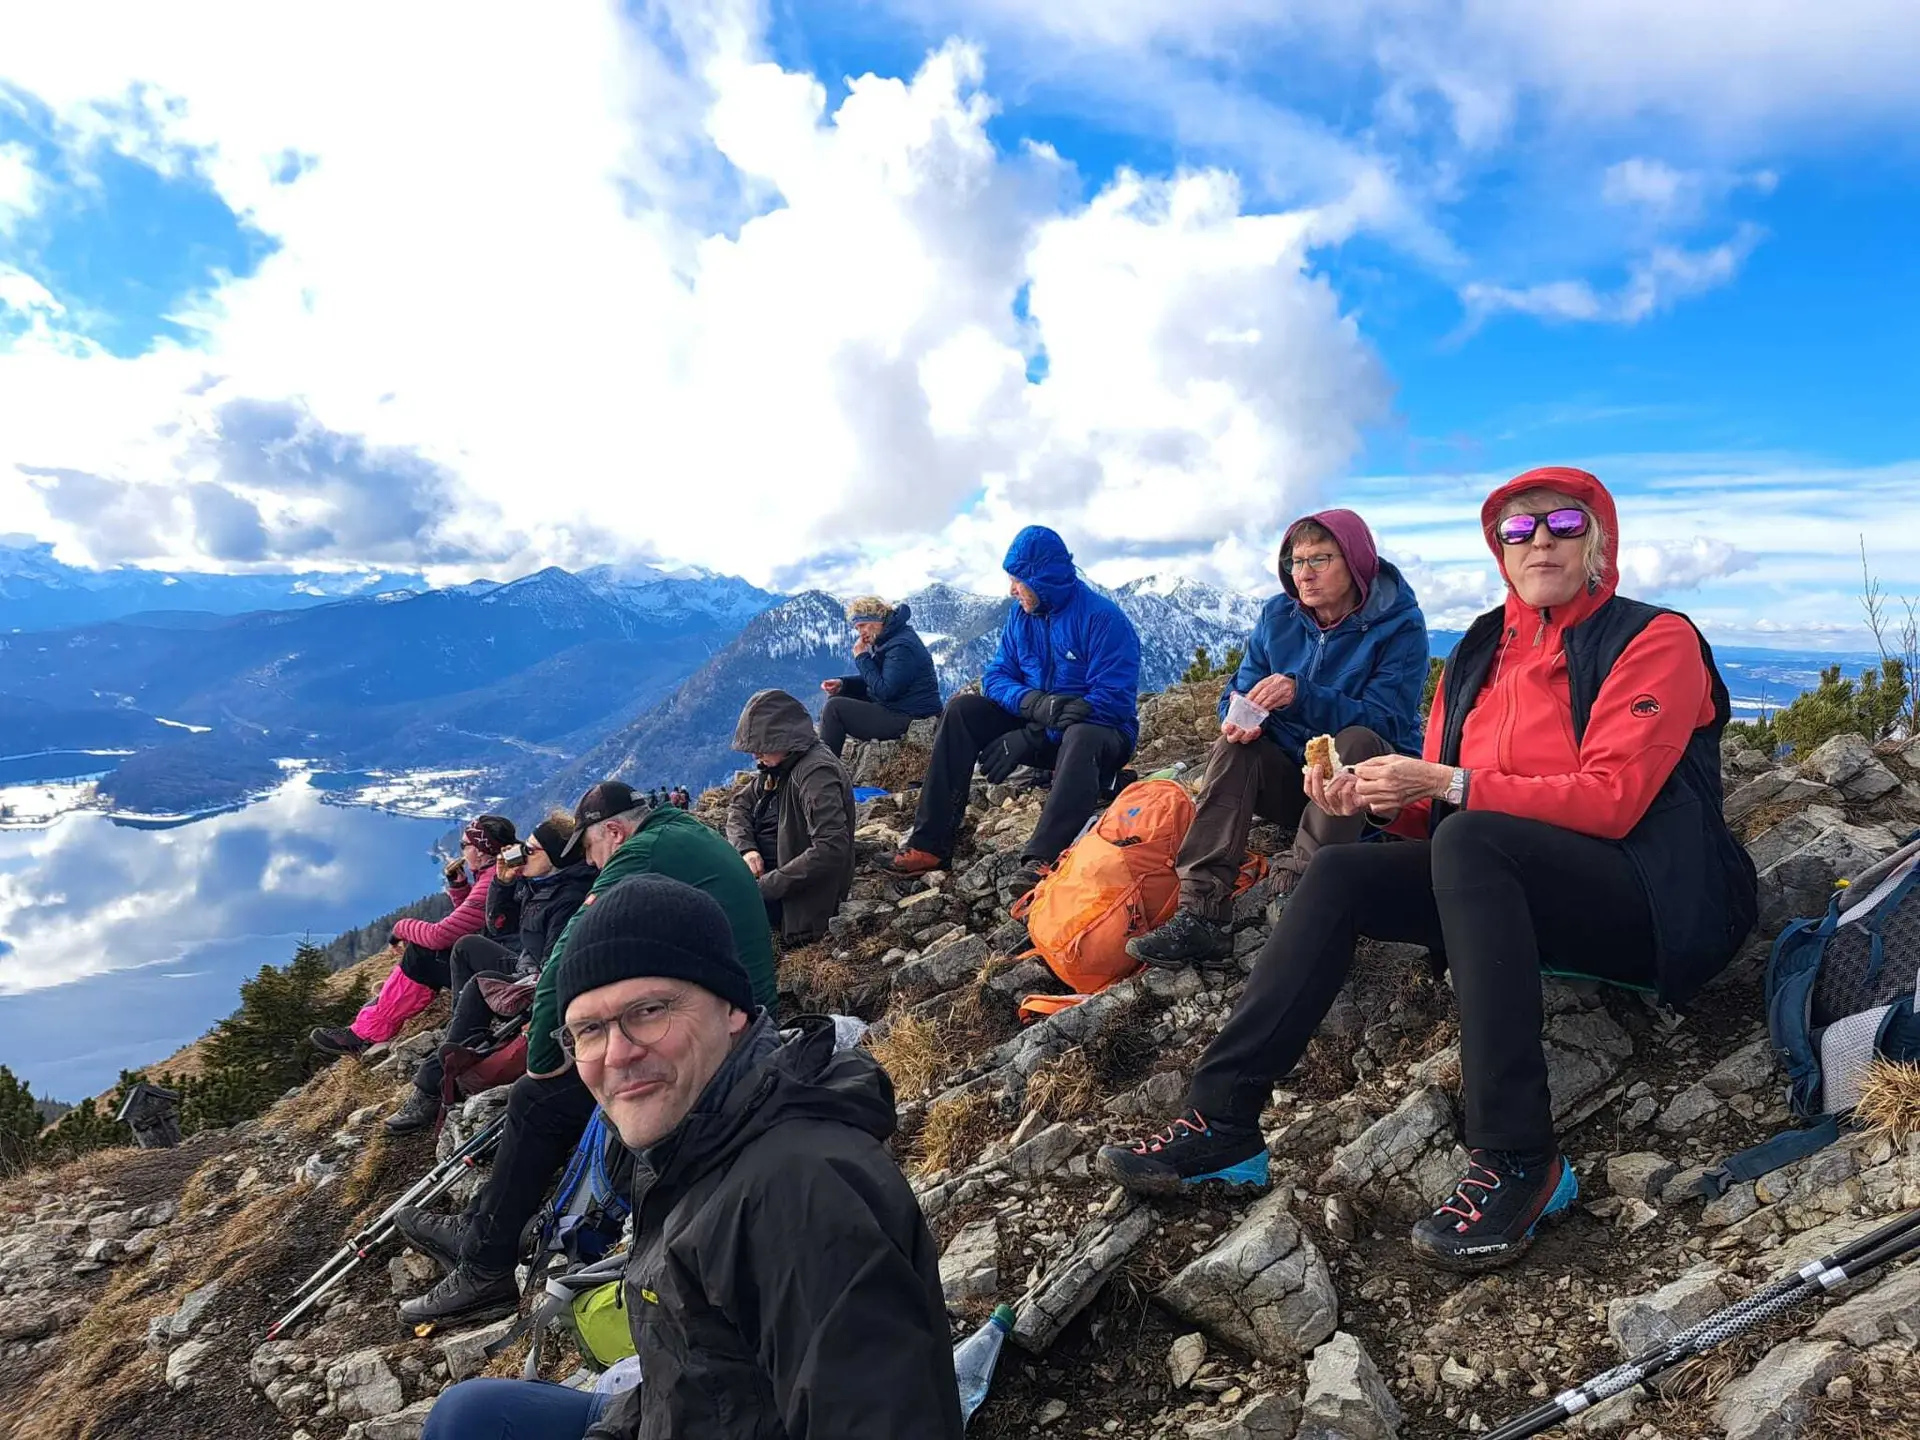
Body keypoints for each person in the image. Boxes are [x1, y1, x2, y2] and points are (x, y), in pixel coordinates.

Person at [1098, 467, 1757, 1272]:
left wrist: (1445, 784)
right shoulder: (1483, 649)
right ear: (1499, 552)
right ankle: (1223, 1121)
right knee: (1340, 873)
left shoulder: (1652, 638)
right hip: (1509, 890)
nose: (1539, 541)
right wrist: (1372, 801)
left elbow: (1611, 802)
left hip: (1655, 901)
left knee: (1476, 836)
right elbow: (1440, 813)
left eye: (1563, 524)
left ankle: (1520, 1155)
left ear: (1600, 544)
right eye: (1518, 530)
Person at [420, 875, 962, 1440]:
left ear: (730, 1009)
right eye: (589, 1030)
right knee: (469, 1415)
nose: (618, 1054)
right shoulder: (698, 1136)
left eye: (649, 1010)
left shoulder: (801, 1193)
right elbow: (693, 1366)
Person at [392, 781, 778, 1326]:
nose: (596, 867)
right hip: (733, 1010)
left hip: (726, 1036)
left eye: (593, 852)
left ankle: (487, 1268)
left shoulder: (639, 853)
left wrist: (548, 1049)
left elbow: (575, 941)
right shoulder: (679, 832)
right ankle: (484, 1227)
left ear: (614, 832)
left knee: (537, 1098)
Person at [1127, 511, 1429, 967]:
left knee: (1354, 741)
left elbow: (1386, 722)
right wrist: (1238, 714)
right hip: (1297, 785)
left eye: (1319, 560)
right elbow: (1239, 688)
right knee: (1235, 746)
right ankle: (1201, 911)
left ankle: (1302, 889)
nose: (1303, 574)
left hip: (1368, 799)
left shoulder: (1399, 627)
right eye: (1295, 561)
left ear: (1355, 562)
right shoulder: (1279, 616)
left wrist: (1301, 693)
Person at [877, 526, 1141, 883]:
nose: (1012, 590)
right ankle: (930, 844)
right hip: (1046, 724)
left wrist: (1034, 737)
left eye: (1018, 580)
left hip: (1100, 740)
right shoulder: (1020, 617)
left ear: (1041, 579)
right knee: (962, 711)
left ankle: (1042, 858)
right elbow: (996, 676)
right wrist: (1033, 704)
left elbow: (1113, 702)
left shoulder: (1103, 619)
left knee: (1083, 732)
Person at [382, 811, 597, 1134]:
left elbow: (554, 964)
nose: (521, 853)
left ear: (554, 857)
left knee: (476, 987)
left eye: (531, 849)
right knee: (467, 947)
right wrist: (502, 883)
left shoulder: (566, 897)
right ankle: (461, 1029)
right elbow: (499, 927)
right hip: (527, 962)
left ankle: (430, 1086)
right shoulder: (538, 881)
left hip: (539, 977)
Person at [311, 815, 517, 1057]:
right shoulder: (498, 872)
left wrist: (400, 927)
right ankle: (380, 1010)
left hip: (504, 972)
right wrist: (460, 888)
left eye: (464, 845)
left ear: (482, 851)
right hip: (504, 957)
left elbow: (439, 935)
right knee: (429, 953)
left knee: (424, 953)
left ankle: (366, 1034)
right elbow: (478, 920)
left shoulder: (491, 881)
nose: (461, 850)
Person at [726, 689, 857, 945]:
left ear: (782, 739)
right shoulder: (781, 764)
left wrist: (763, 888)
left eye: (761, 747)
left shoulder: (816, 774)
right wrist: (747, 849)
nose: (755, 756)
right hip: (775, 877)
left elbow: (831, 849)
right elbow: (739, 805)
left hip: (802, 902)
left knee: (714, 915)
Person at [819, 595, 943, 757]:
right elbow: (880, 679)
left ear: (877, 620)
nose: (860, 633)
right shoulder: (891, 638)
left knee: (834, 709)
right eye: (857, 628)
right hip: (901, 708)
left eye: (863, 625)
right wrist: (843, 684)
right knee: (839, 696)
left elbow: (886, 690)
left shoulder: (901, 647)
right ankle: (826, 762)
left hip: (912, 717)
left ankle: (824, 769)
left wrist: (862, 658)